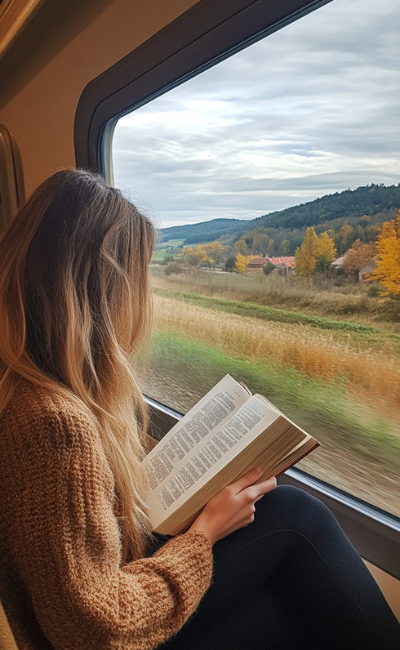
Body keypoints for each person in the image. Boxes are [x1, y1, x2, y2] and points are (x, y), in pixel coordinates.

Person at [0, 169, 398, 650]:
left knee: (288, 545)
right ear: (101, 294)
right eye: (139, 279)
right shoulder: (52, 420)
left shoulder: (23, 383)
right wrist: (205, 534)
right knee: (296, 520)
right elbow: (94, 628)